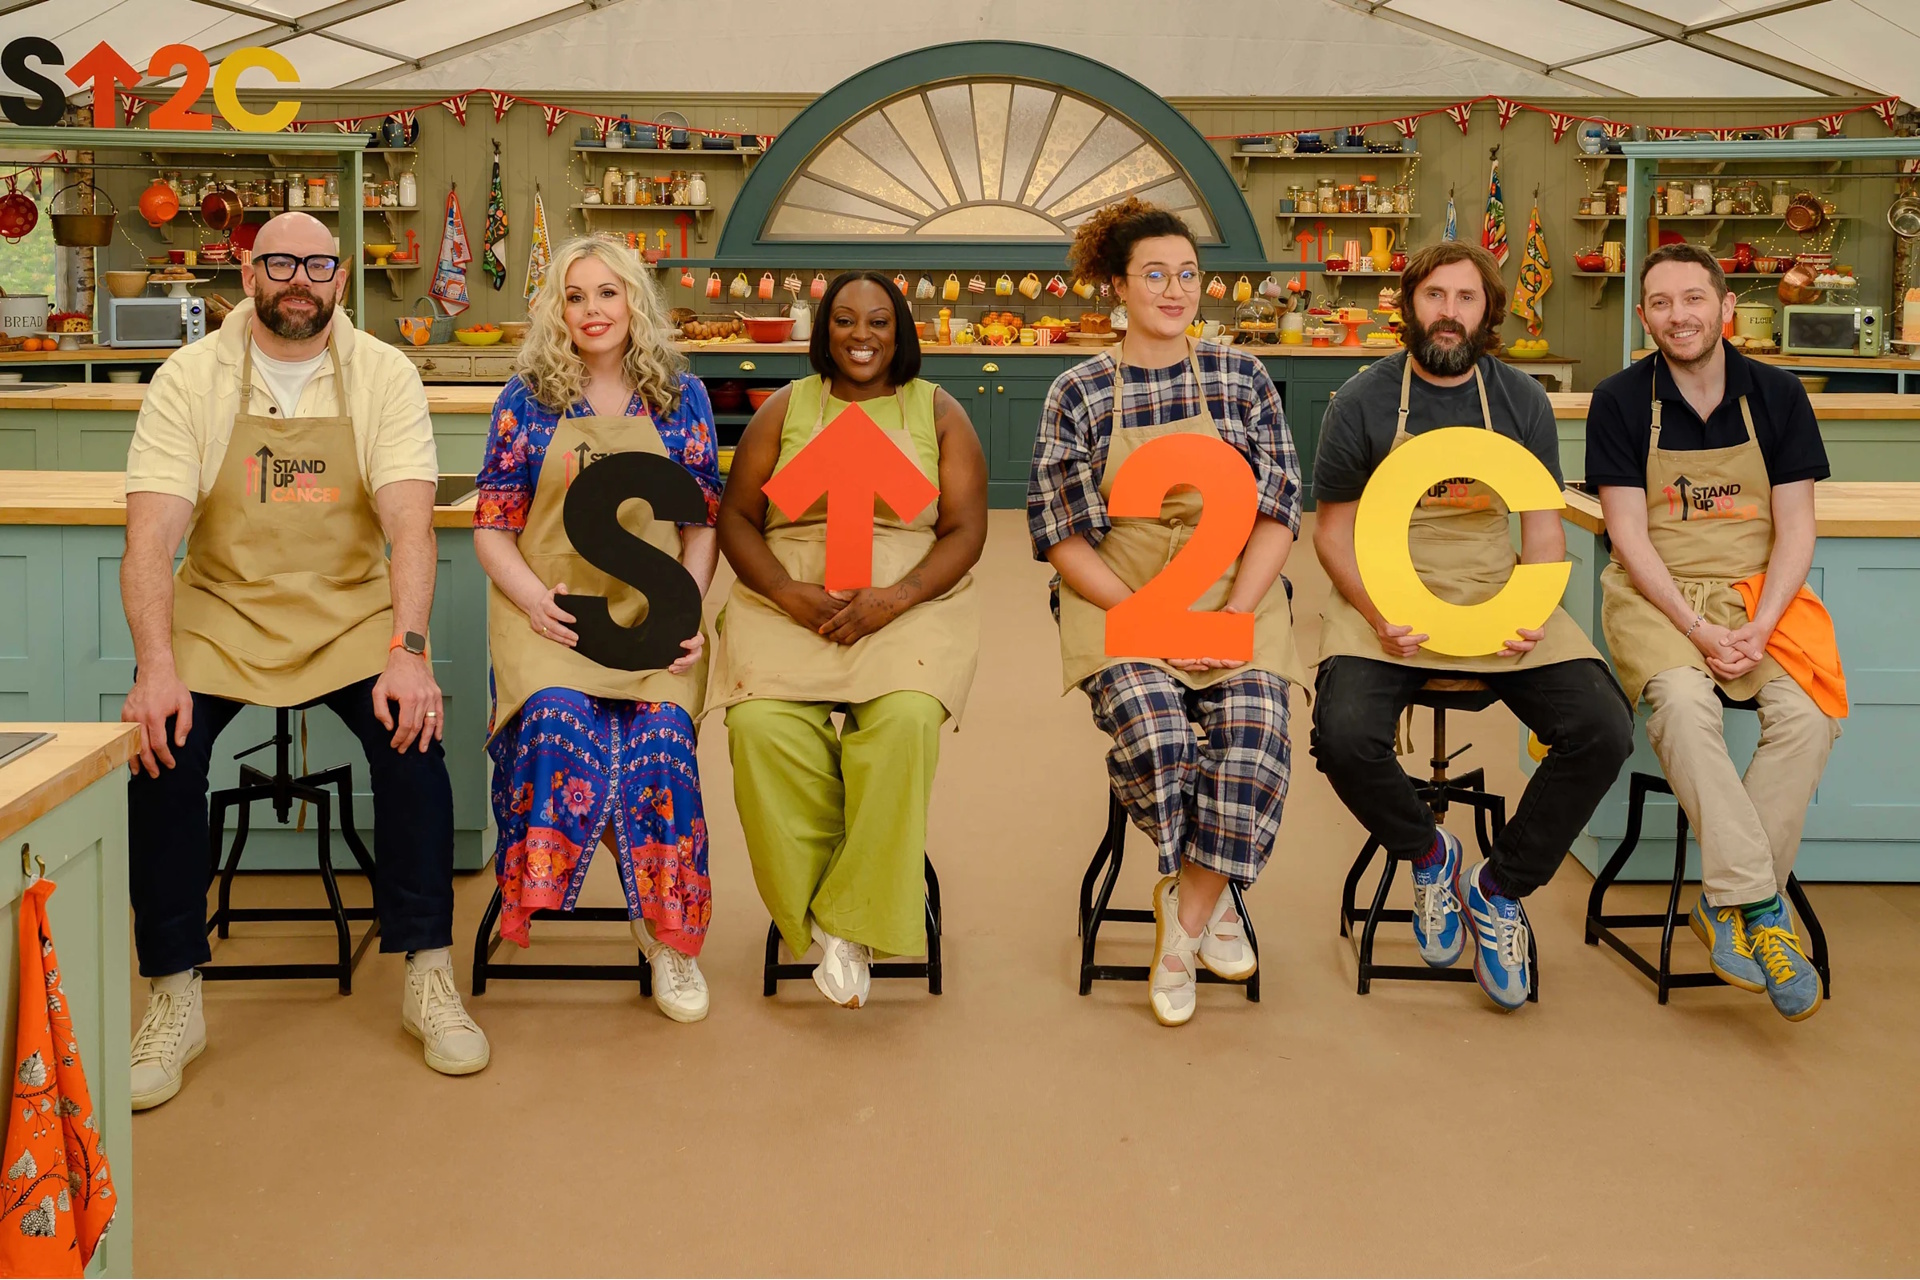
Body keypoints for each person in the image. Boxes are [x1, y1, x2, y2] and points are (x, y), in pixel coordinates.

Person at [119, 211, 487, 1109]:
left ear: (341, 274)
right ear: (248, 272)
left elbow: (407, 524)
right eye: (278, 262)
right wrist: (156, 665)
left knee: (414, 743)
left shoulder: (384, 374)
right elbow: (151, 537)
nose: (299, 279)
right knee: (159, 755)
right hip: (223, 608)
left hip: (351, 610)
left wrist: (407, 652)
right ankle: (173, 993)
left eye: (317, 265)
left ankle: (428, 977)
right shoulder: (189, 379)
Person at [1311, 240, 1633, 1012]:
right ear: (1409, 305)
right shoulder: (1360, 400)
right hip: (1387, 597)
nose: (1448, 313)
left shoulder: (1518, 398)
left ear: (1488, 312)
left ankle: (1497, 888)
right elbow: (1330, 532)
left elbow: (1543, 527)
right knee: (1342, 734)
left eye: (1465, 298)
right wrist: (1378, 613)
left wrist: (1530, 607)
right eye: (1433, 296)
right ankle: (1431, 854)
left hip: (1496, 587)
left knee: (1603, 727)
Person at [1029, 198, 1307, 1028]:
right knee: (1159, 736)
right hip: (1117, 596)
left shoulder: (1240, 376)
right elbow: (1061, 538)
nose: (1176, 289)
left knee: (1255, 731)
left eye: (1188, 274)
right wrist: (1156, 618)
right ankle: (1213, 898)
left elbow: (1278, 509)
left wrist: (1234, 614)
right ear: (1118, 286)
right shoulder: (1078, 391)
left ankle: (1184, 917)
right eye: (1155, 274)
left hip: (1235, 592)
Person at [711, 272, 986, 1008]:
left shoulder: (939, 412)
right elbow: (737, 517)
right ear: (822, 331)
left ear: (901, 332)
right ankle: (845, 915)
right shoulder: (784, 408)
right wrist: (785, 592)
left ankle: (846, 920)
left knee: (900, 722)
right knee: (759, 726)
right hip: (792, 599)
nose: (861, 335)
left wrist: (896, 596)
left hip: (909, 601)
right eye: (844, 321)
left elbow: (965, 530)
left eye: (877, 322)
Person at [1587, 242, 1840, 1022]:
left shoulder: (1778, 394)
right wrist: (1695, 629)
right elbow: (1627, 533)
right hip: (1655, 598)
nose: (1679, 316)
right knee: (1685, 709)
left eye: (1693, 299)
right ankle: (1762, 911)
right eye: (1660, 303)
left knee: (1809, 718)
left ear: (1725, 307)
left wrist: (1762, 624)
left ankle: (1722, 903)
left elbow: (1796, 526)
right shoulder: (1622, 399)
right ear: (1643, 316)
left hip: (1755, 596)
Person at [473, 235, 721, 1023]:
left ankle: (669, 938)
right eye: (575, 297)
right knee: (558, 724)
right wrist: (529, 601)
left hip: (649, 618)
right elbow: (492, 524)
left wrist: (686, 608)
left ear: (634, 301)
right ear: (555, 309)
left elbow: (702, 522)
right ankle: (640, 908)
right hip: (548, 614)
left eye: (607, 294)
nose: (592, 311)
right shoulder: (527, 397)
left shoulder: (681, 396)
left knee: (660, 745)